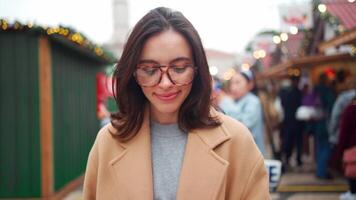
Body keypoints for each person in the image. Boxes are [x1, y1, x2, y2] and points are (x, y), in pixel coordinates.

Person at [83, 7, 269, 200]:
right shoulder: (107, 142)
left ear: (197, 70)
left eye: (179, 68)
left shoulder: (237, 141)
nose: (165, 83)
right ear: (133, 73)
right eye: (149, 70)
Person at [218, 70, 266, 156]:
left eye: (238, 82)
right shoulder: (235, 100)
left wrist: (226, 102)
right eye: (232, 83)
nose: (233, 87)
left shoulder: (253, 101)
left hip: (252, 154)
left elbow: (244, 123)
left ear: (250, 84)